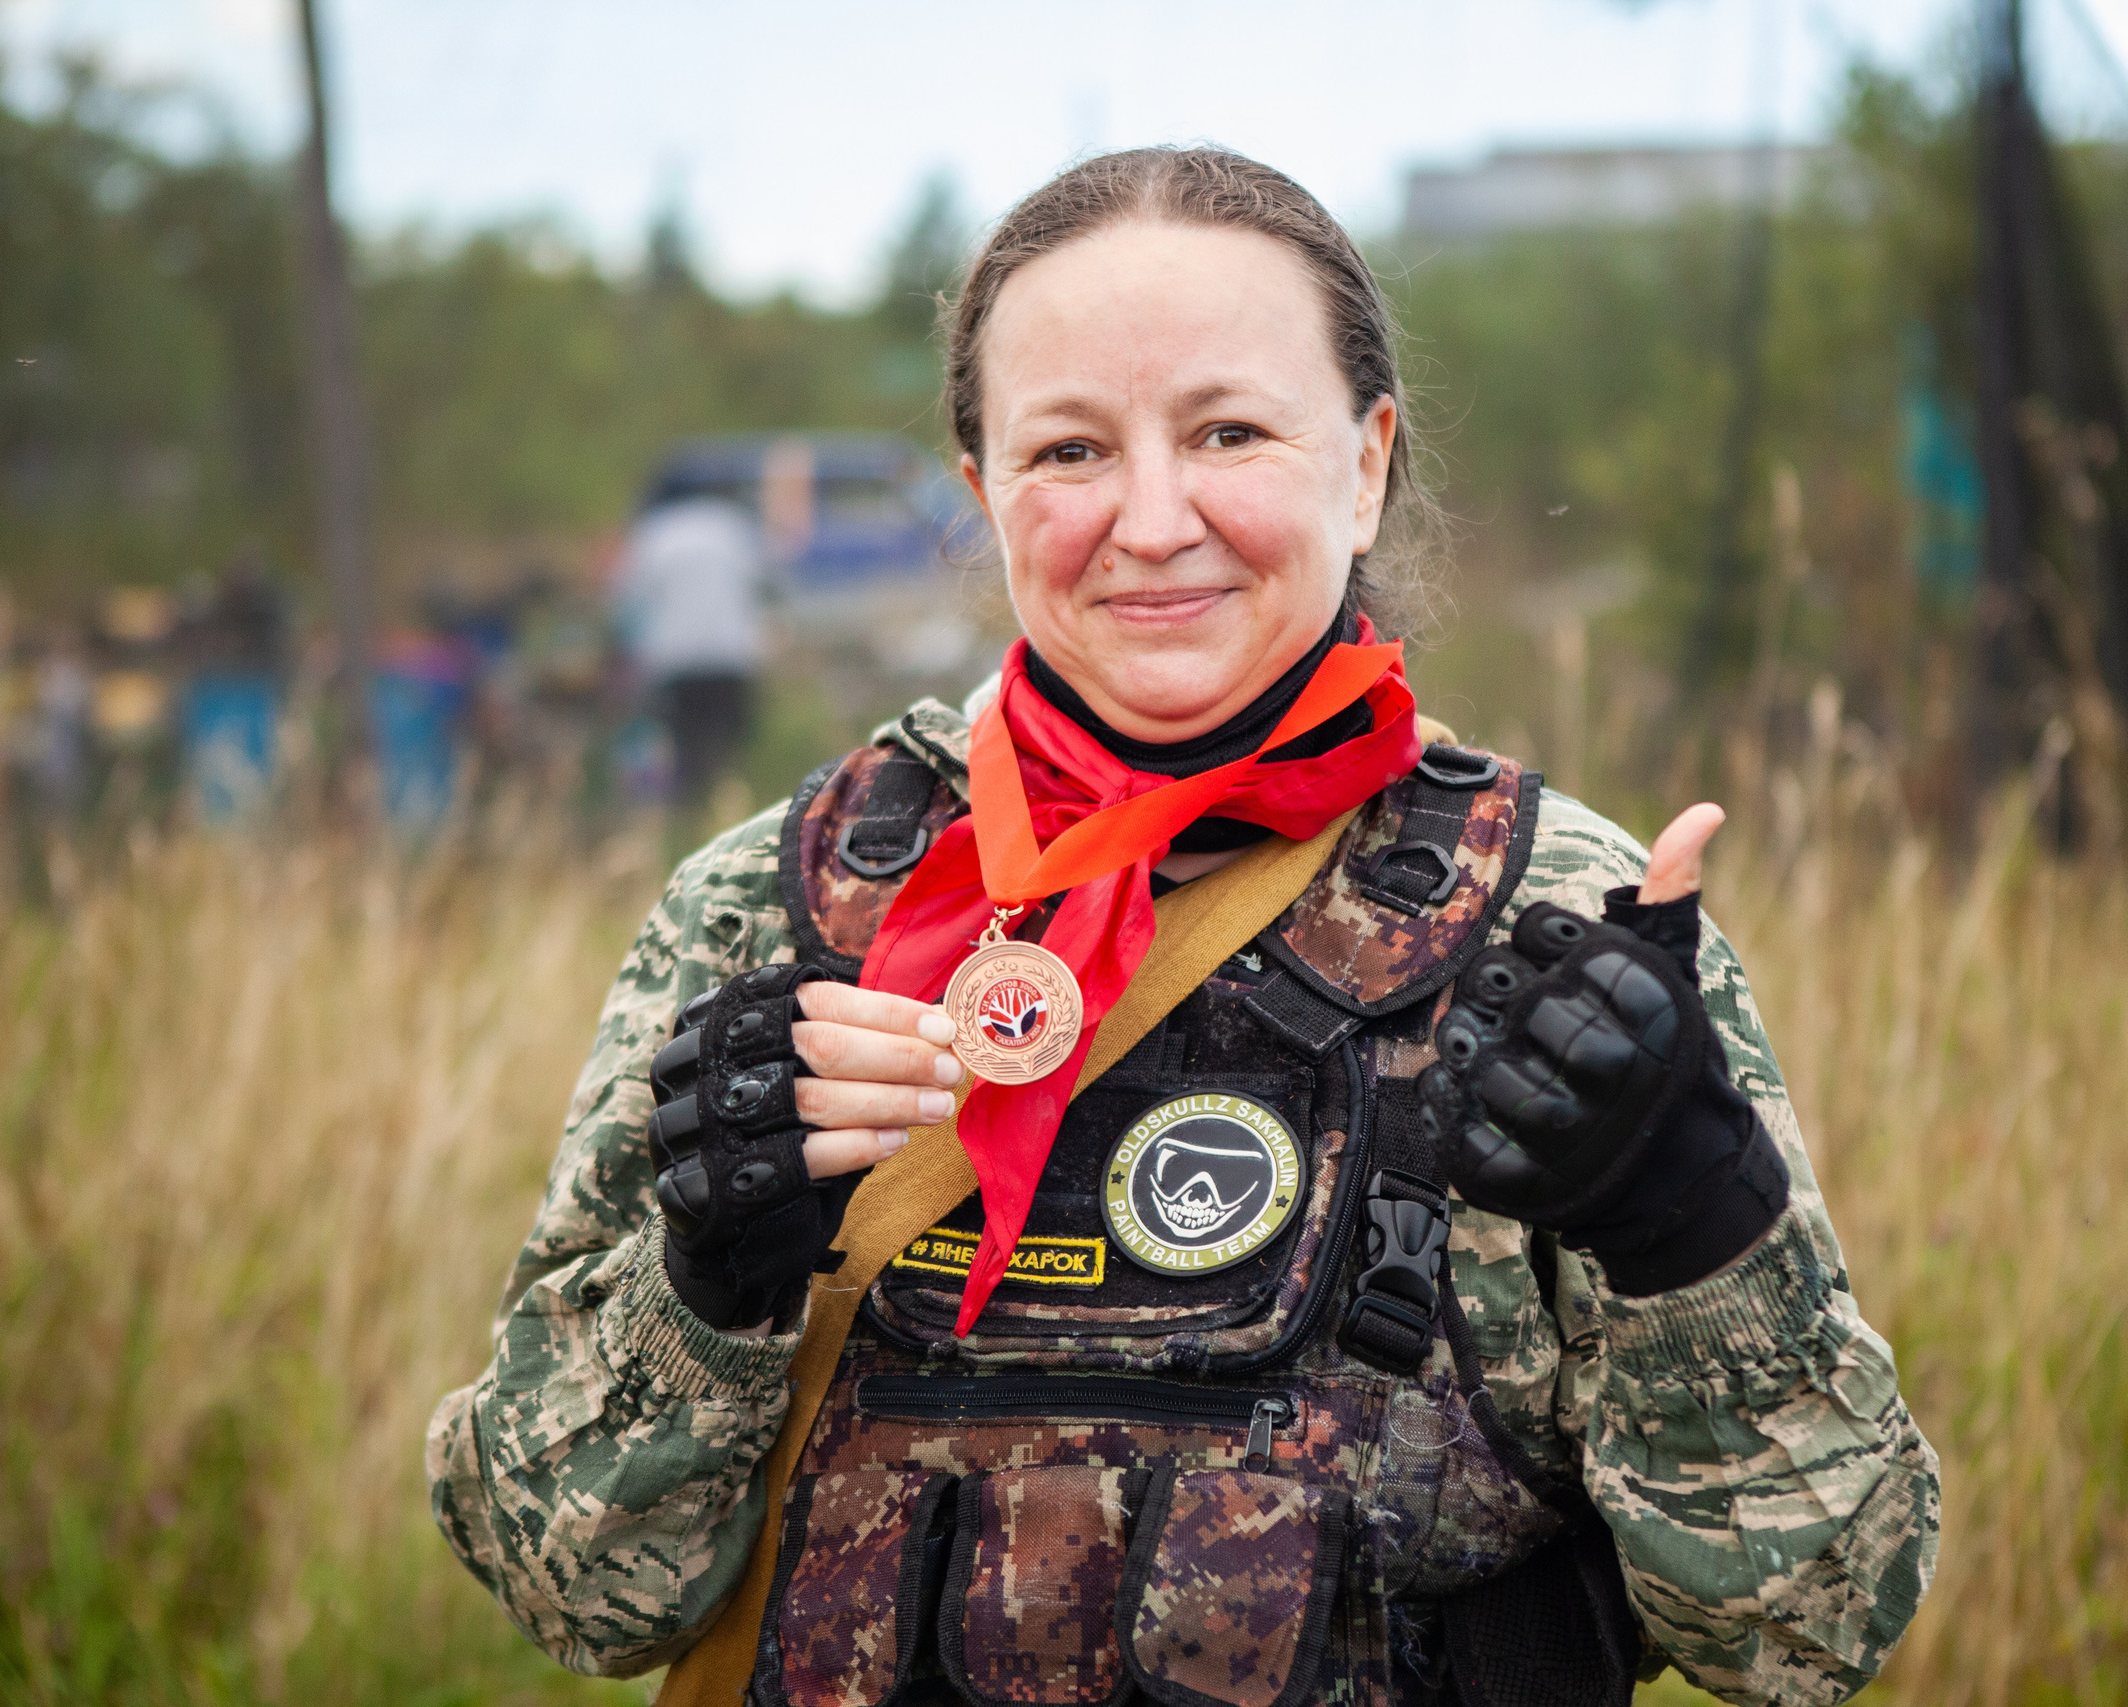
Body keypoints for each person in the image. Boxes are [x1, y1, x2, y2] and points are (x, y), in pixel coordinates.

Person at [430, 148, 1937, 1707]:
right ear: (983, 492)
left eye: (1227, 430)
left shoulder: (1560, 924)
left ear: (1364, 464)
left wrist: (1687, 1216)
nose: (1152, 522)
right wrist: (703, 1285)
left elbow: (1808, 1632)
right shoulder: (774, 905)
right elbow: (569, 1590)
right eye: (1072, 448)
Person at [614, 485, 770, 811]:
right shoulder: (734, 529)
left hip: (675, 660)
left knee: (683, 744)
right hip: (731, 657)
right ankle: (727, 807)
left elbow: (627, 598)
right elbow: (768, 583)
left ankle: (689, 811)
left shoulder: (655, 534)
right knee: (727, 743)